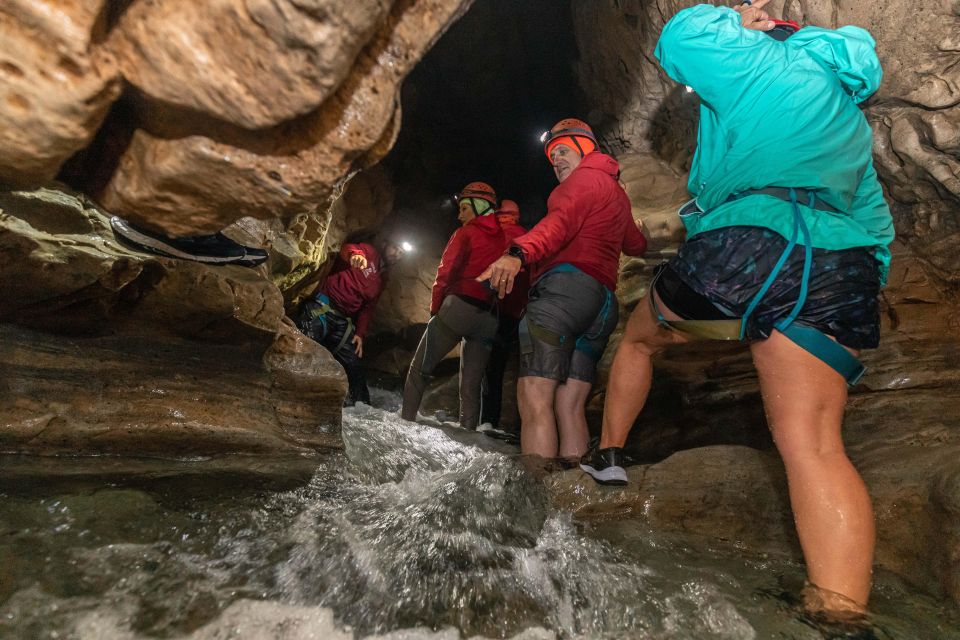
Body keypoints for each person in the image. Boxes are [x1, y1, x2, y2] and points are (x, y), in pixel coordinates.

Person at [580, 0, 894, 617]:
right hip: (836, 264)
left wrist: (738, 18)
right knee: (815, 443)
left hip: (745, 247)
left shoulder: (761, 60)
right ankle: (838, 611)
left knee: (641, 338)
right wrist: (849, 285)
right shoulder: (848, 119)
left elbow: (680, 37)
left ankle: (609, 454)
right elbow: (875, 227)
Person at [479, 120, 647, 459]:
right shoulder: (617, 193)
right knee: (570, 404)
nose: (555, 160)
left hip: (564, 295)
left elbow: (557, 225)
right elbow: (637, 244)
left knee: (534, 395)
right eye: (551, 156)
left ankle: (538, 500)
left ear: (585, 149)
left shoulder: (581, 181)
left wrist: (517, 253)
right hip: (601, 306)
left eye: (562, 151)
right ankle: (571, 499)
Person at [401, 182, 508, 429]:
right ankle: (468, 436)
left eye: (464, 208)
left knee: (420, 371)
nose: (459, 215)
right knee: (471, 386)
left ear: (479, 207)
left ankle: (403, 426)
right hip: (489, 317)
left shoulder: (465, 233)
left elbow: (445, 271)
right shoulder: (505, 239)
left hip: (458, 307)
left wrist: (435, 310)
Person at [296, 239, 407, 405]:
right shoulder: (370, 252)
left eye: (401, 253)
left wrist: (360, 334)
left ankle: (362, 410)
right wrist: (356, 255)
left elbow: (368, 307)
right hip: (322, 308)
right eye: (395, 248)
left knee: (354, 367)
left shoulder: (383, 277)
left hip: (343, 323)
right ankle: (294, 393)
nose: (396, 254)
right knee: (304, 347)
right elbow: (347, 248)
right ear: (385, 244)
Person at [480, 199, 528, 441]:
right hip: (520, 314)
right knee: (521, 370)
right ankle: (519, 426)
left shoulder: (497, 236)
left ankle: (486, 419)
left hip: (496, 310)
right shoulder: (526, 237)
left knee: (492, 369)